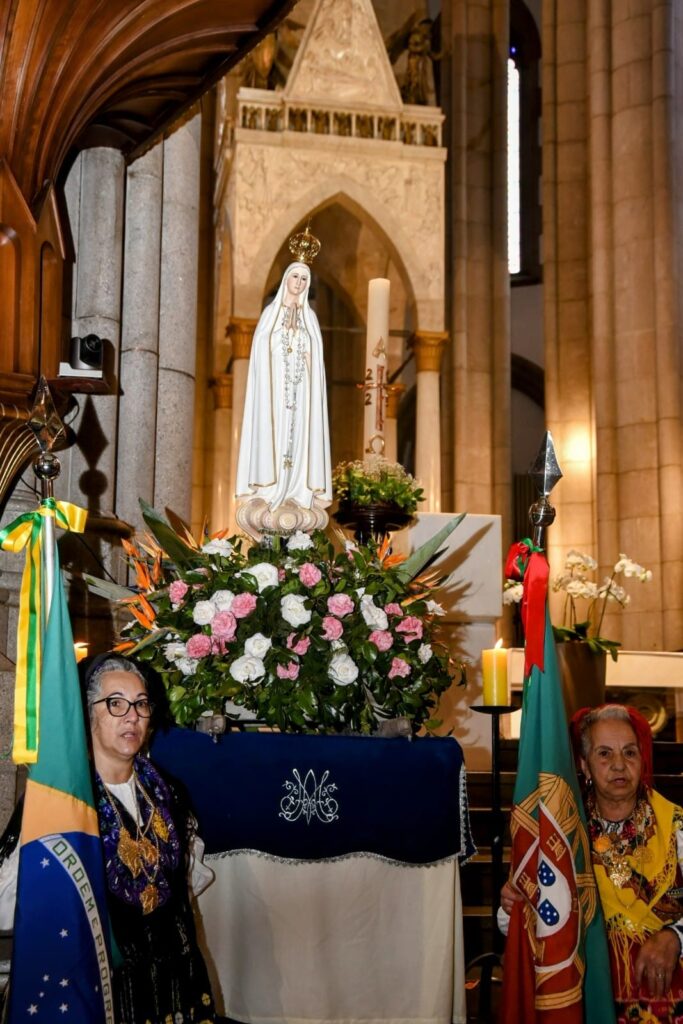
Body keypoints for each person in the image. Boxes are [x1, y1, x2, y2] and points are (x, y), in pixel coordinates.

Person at [500, 704, 683, 1022]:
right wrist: (512, 904)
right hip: (585, 994)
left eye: (629, 753)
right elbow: (518, 926)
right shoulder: (563, 833)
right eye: (604, 754)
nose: (619, 766)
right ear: (583, 765)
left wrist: (675, 937)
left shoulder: (676, 825)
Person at [84, 653, 216, 1023]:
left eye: (141, 704)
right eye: (115, 704)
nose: (132, 716)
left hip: (173, 980)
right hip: (104, 982)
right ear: (89, 713)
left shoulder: (168, 792)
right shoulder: (69, 801)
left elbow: (190, 879)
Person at [235, 260, 332, 511]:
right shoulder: (271, 313)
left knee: (300, 438)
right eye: (295, 277)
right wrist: (281, 335)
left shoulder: (310, 318)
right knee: (274, 436)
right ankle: (269, 488)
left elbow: (316, 357)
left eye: (303, 279)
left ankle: (297, 490)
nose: (299, 283)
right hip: (275, 393)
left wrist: (305, 353)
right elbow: (260, 350)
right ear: (286, 279)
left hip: (301, 395)